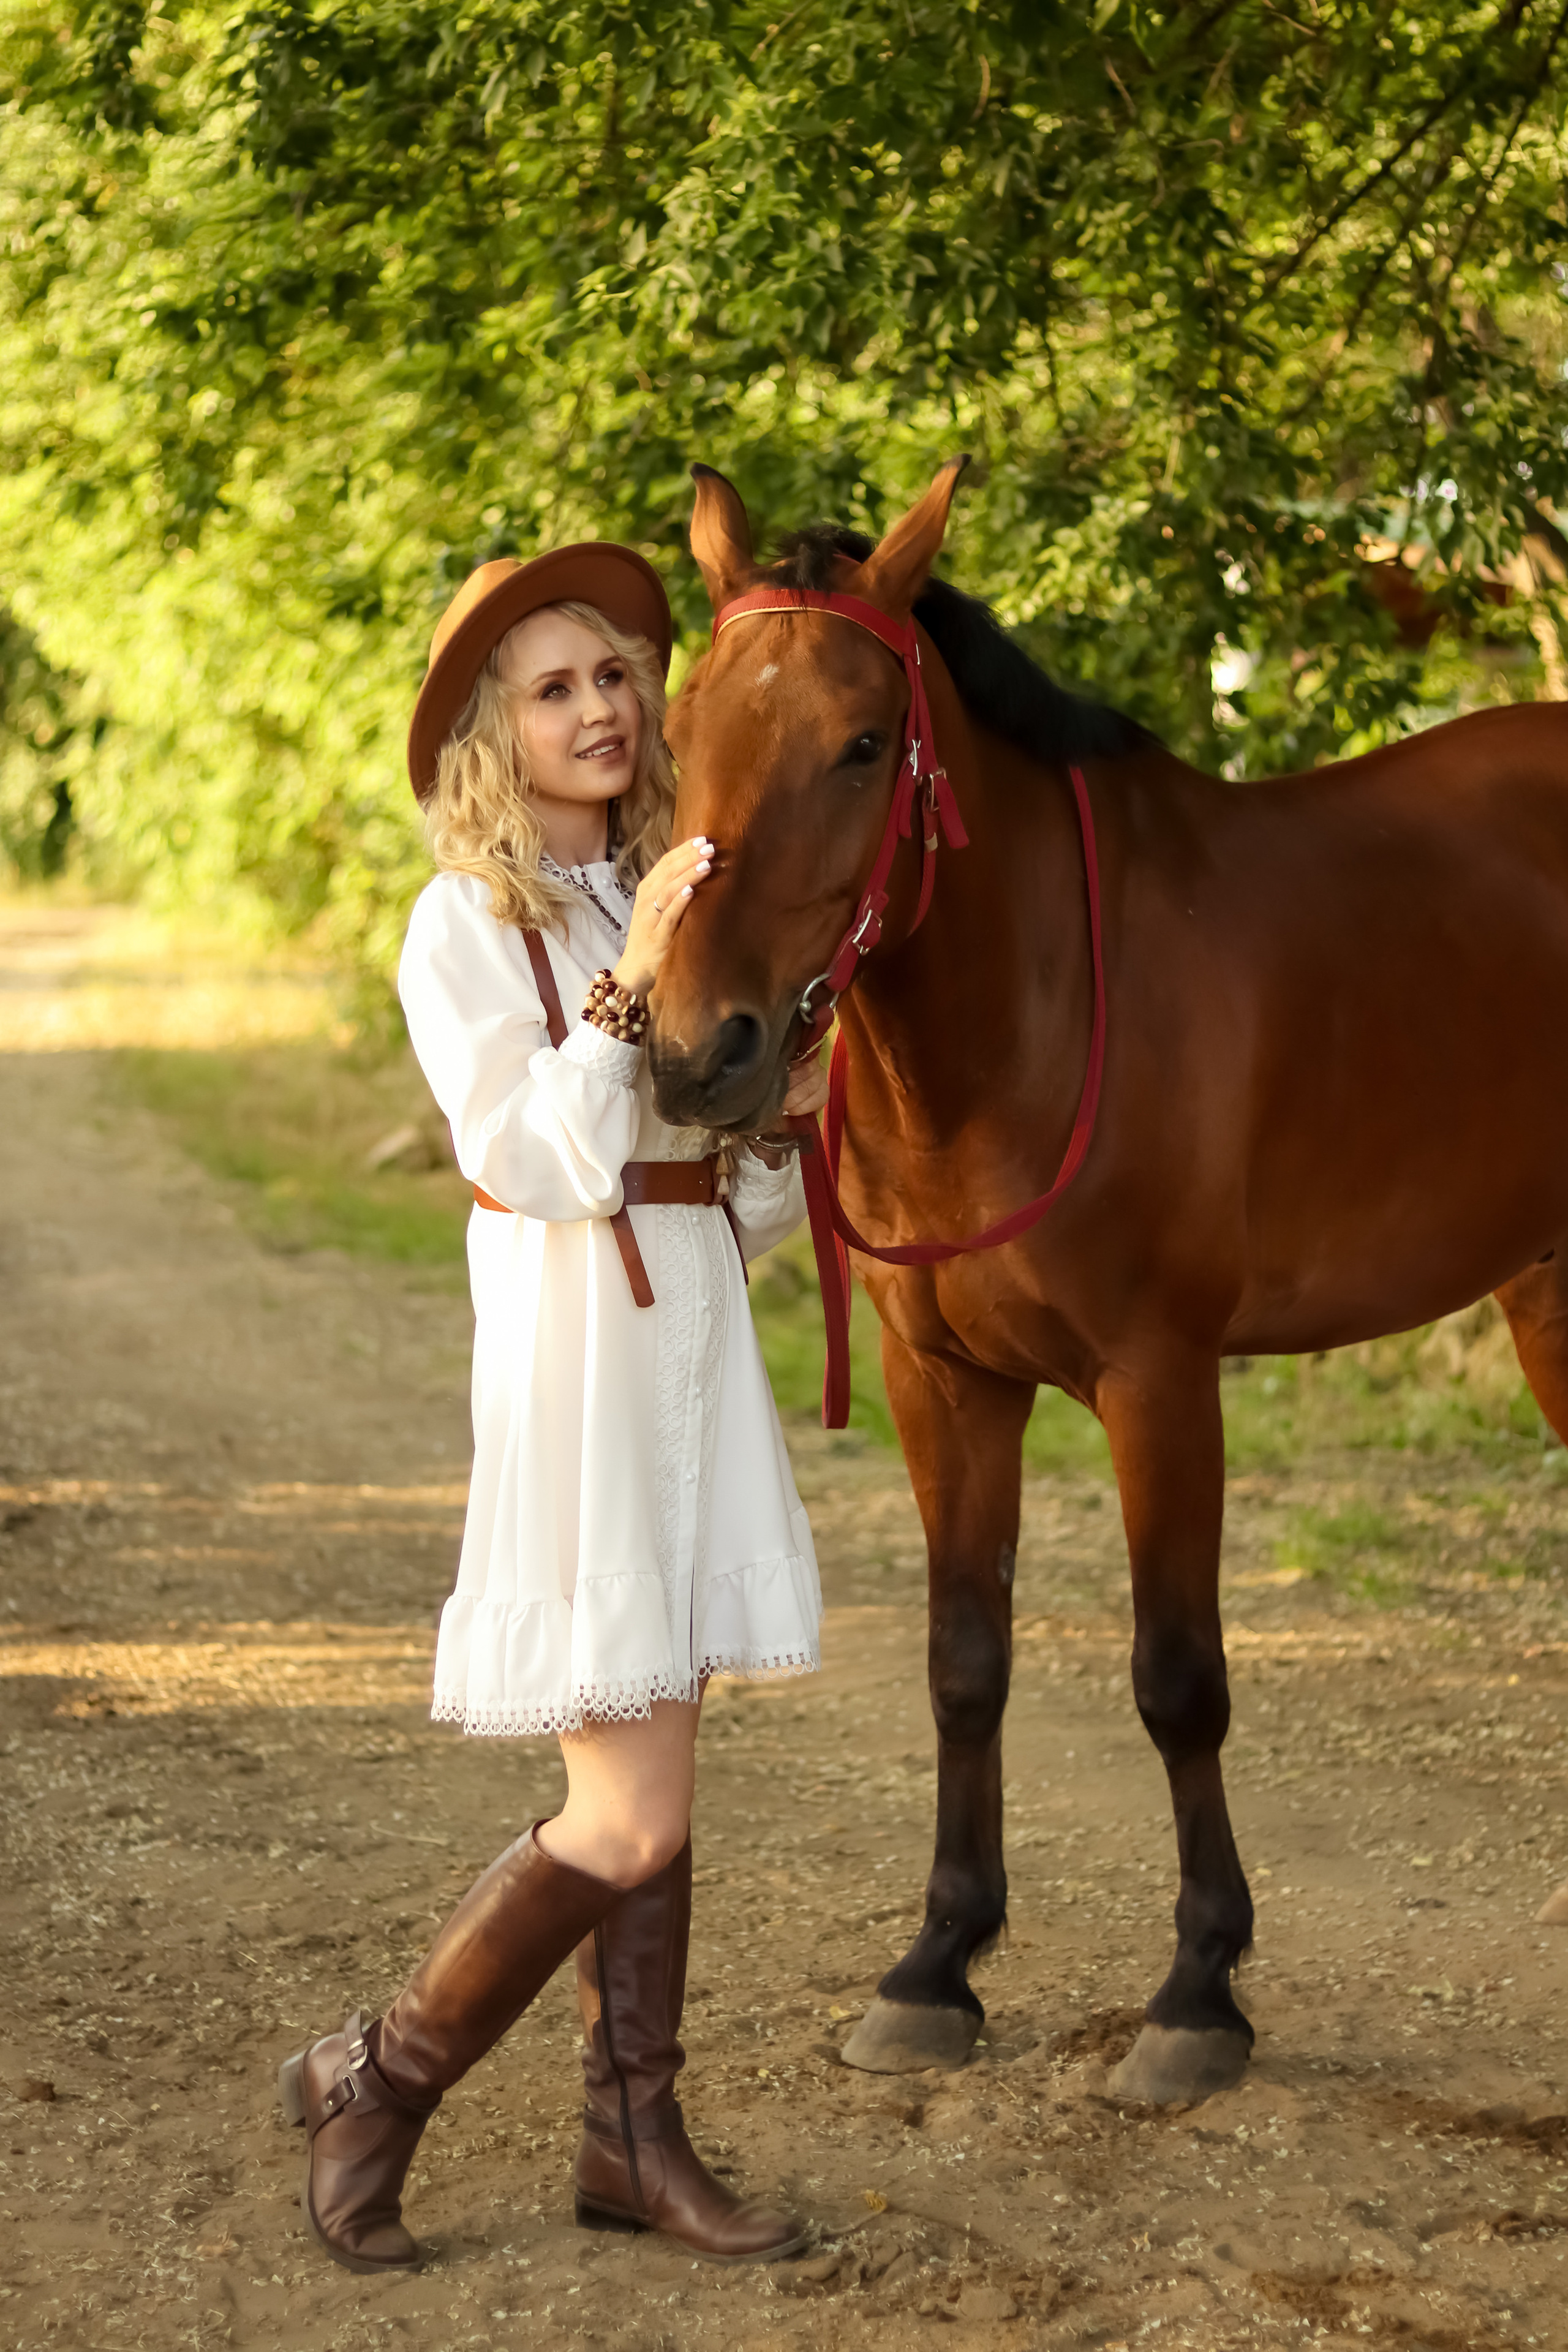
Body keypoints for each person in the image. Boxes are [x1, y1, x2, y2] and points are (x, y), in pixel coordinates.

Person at [279, 546, 827, 2275]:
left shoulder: (666, 895)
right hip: (574, 1359)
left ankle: (629, 2137)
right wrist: (633, 968)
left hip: (685, 1350)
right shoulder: (472, 924)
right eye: (555, 687)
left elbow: (705, 1199)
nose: (601, 707)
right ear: (492, 739)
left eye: (615, 677)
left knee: (660, 1770)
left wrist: (782, 1124)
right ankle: (376, 2075)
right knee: (628, 1811)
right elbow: (527, 1156)